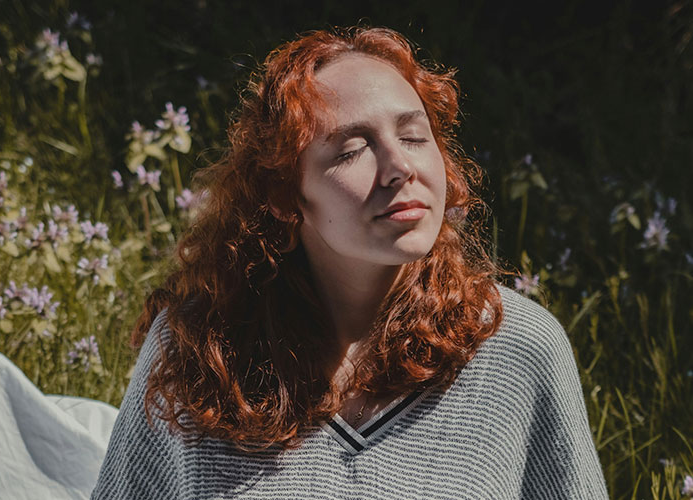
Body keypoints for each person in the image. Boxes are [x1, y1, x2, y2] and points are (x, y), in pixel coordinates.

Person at [92, 26, 608, 499]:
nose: (400, 167)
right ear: (283, 193)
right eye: (351, 150)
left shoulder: (517, 347)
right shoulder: (197, 349)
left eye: (413, 135)